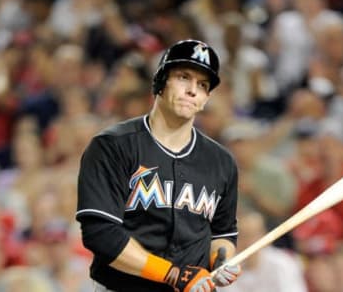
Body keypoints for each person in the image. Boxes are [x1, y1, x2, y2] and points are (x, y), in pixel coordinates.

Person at [76, 39, 241, 292]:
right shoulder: (113, 146)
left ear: (207, 98)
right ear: (161, 82)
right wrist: (172, 274)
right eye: (184, 77)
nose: (192, 90)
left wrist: (222, 259)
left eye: (202, 85)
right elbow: (101, 234)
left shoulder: (222, 161)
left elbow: (222, 233)